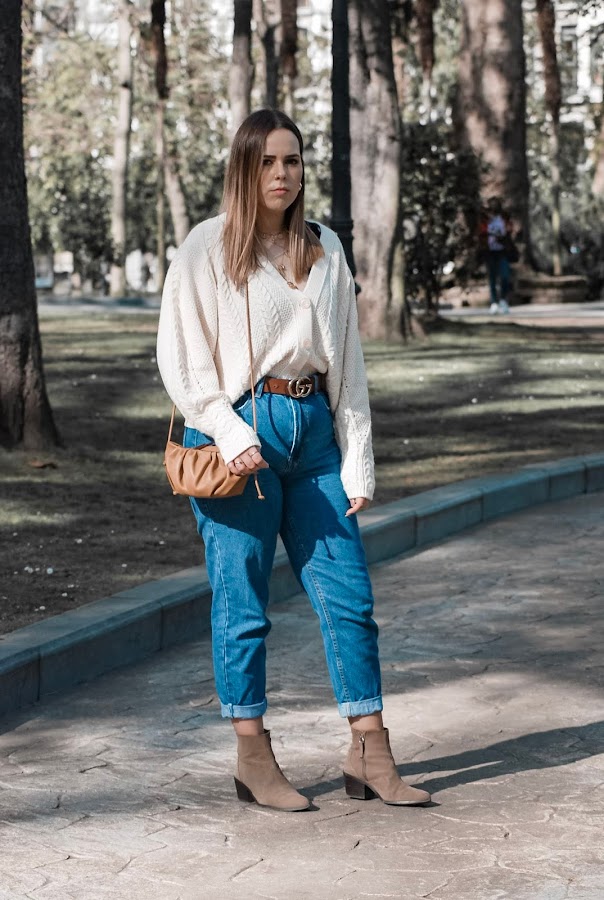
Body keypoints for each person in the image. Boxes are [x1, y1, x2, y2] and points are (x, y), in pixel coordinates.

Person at [156, 108, 430, 812]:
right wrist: (227, 430)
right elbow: (181, 360)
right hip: (235, 436)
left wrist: (358, 460)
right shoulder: (207, 247)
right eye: (269, 161)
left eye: (294, 161)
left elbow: (349, 363)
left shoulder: (324, 247)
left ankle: (370, 748)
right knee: (242, 603)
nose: (283, 174)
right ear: (245, 168)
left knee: (350, 598)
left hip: (313, 434)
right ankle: (252, 754)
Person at [483, 197, 515, 314]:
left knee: (505, 277)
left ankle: (503, 301)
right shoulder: (485, 220)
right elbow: (481, 233)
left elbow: (510, 230)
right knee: (492, 277)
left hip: (502, 251)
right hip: (490, 251)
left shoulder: (504, 219)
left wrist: (503, 237)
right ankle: (494, 303)